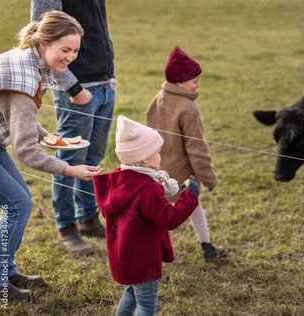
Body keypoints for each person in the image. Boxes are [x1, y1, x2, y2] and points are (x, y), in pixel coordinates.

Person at [0, 11, 101, 301]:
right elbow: (25, 150)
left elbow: (16, 116)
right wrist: (69, 170)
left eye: (75, 50)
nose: (71, 57)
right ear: (43, 43)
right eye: (64, 50)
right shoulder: (24, 79)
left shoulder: (29, 60)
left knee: (17, 203)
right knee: (17, 204)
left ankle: (4, 269)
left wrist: (49, 136)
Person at [31, 0, 116, 255]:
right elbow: (41, 37)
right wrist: (72, 87)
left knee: (94, 157)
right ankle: (66, 228)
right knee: (69, 160)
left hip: (104, 83)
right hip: (76, 90)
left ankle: (88, 218)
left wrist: (110, 75)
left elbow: (98, 27)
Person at [93, 115, 200, 315]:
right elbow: (170, 218)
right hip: (143, 260)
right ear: (143, 158)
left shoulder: (120, 180)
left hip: (125, 256)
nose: (160, 155)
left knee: (131, 294)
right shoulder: (147, 189)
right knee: (146, 305)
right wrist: (190, 195)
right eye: (157, 152)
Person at [146, 46, 227, 260]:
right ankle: (206, 247)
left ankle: (157, 248)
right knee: (191, 204)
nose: (197, 85)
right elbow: (197, 148)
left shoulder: (159, 97)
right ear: (180, 82)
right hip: (181, 174)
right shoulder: (189, 109)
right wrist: (208, 178)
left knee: (155, 209)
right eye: (194, 81)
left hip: (156, 169)